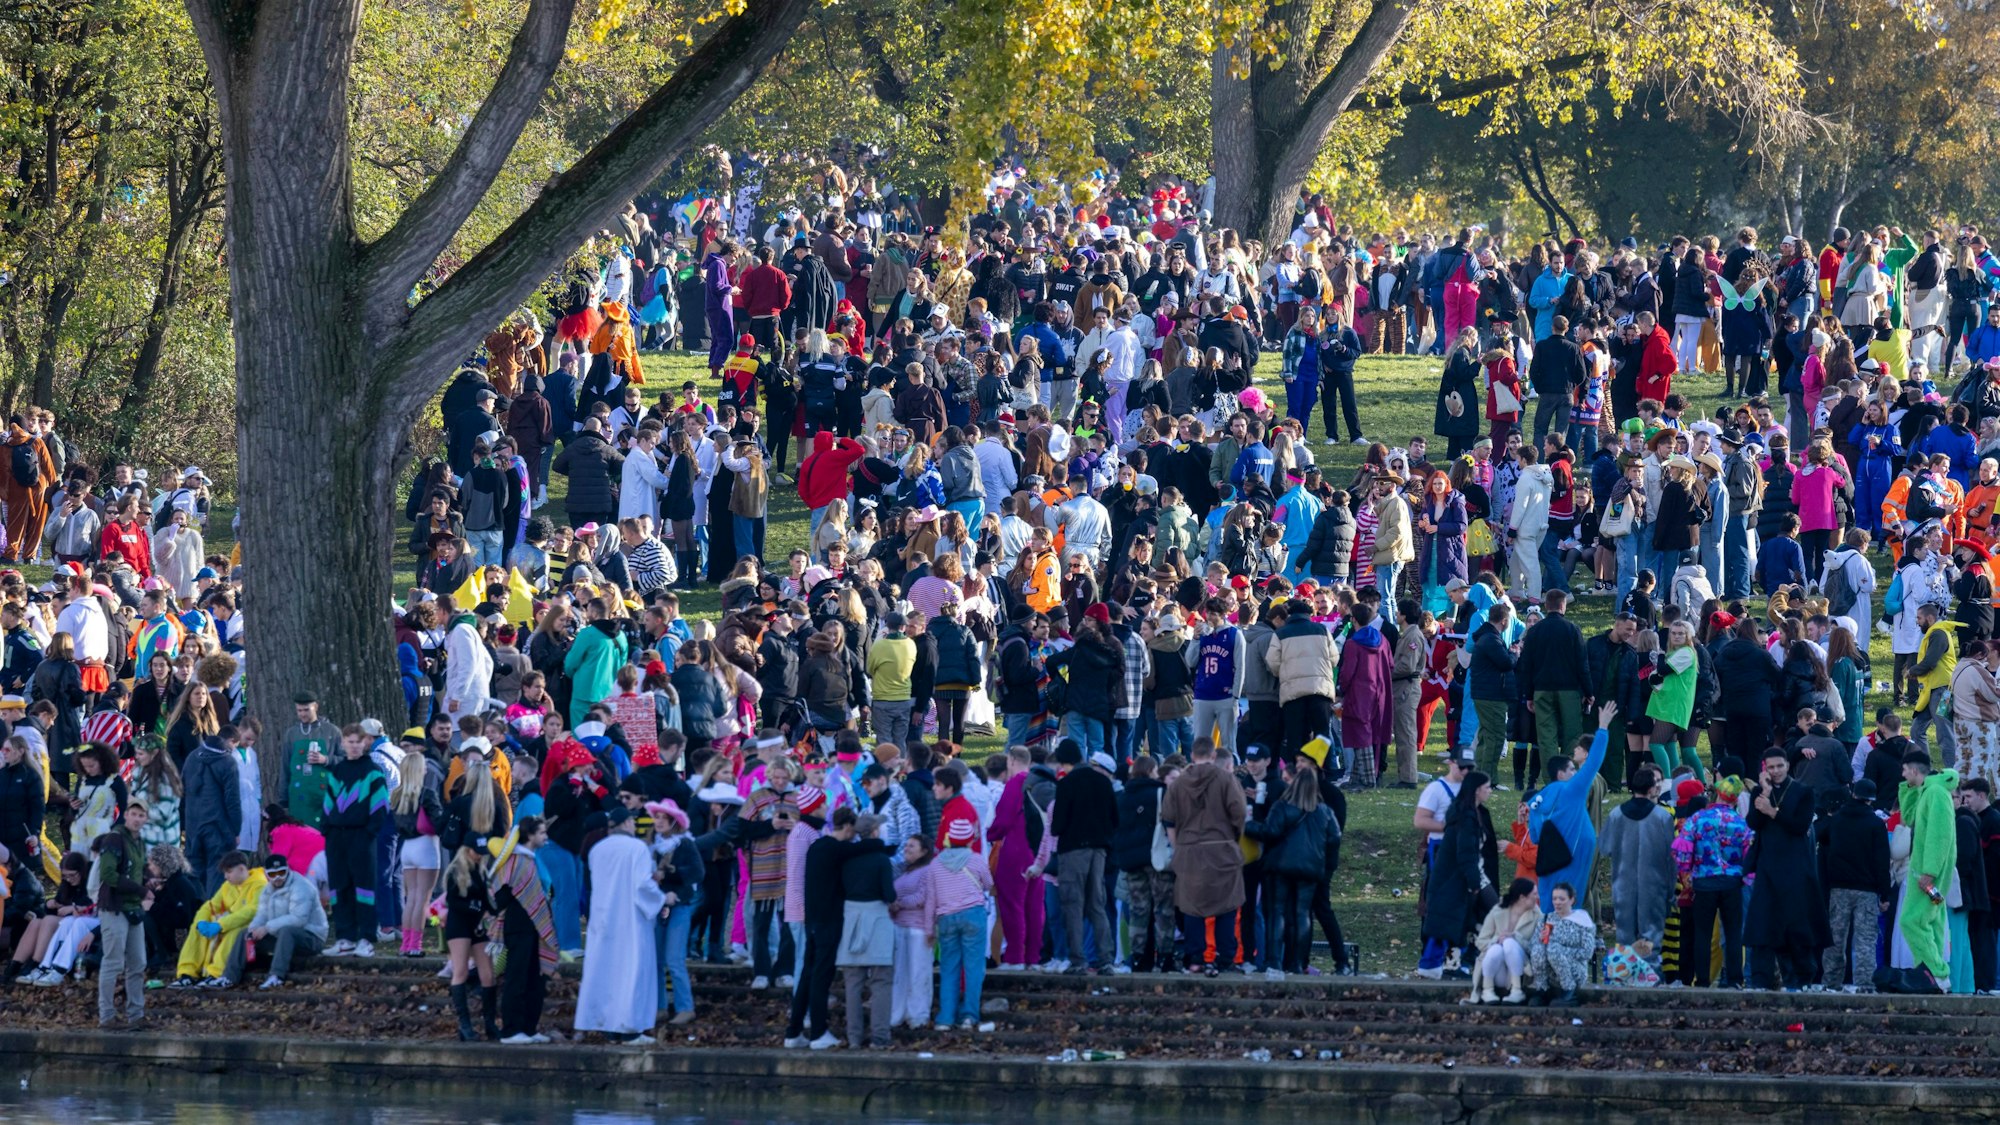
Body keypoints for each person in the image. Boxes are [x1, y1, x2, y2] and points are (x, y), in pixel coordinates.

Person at [574, 805, 665, 1044]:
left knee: (605, 971)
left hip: (603, 917)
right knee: (631, 971)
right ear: (627, 823)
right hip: (630, 919)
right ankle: (630, 1027)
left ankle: (607, 1025)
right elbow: (642, 885)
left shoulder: (597, 849)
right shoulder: (638, 849)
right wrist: (662, 899)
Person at [1744, 747, 1830, 990]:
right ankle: (1760, 980)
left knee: (1797, 926)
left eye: (1779, 766)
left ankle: (1803, 978)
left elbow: (1800, 824)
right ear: (1765, 769)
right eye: (1771, 767)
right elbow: (1753, 822)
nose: (1776, 771)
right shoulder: (1760, 792)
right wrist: (1766, 793)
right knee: (1762, 927)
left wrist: (1772, 811)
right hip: (1768, 867)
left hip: (1796, 868)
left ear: (1787, 765)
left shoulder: (1803, 792)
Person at [1160, 738, 1246, 976]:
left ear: (1191, 754)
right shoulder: (1226, 779)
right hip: (1222, 849)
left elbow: (1168, 820)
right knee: (1227, 906)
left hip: (1188, 850)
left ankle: (1195, 959)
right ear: (1212, 753)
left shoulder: (1178, 784)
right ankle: (1226, 958)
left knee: (1191, 907)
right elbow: (1239, 813)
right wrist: (1232, 838)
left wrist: (1179, 848)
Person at [1245, 761, 1338, 979]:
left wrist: (1247, 825)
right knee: (1302, 914)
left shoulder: (1283, 807)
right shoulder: (1324, 811)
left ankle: (1274, 960)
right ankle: (1297, 962)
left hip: (1281, 867)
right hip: (1310, 869)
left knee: (1277, 913)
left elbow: (1270, 831)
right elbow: (1334, 838)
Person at [1527, 705, 1615, 912]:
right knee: (1570, 903)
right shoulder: (1572, 790)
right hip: (1574, 856)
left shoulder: (1538, 799)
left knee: (1549, 903)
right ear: (1561, 774)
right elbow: (1593, 763)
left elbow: (1535, 836)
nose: (1576, 773)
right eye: (1572, 770)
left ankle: (1547, 938)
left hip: (1549, 860)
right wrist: (1603, 727)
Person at [1422, 769, 1498, 982]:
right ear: (1476, 791)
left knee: (1481, 915)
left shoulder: (1472, 814)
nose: (1489, 791)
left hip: (1471, 875)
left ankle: (1466, 958)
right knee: (1486, 914)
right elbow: (1466, 853)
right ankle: (1457, 963)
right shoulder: (1466, 818)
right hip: (1465, 877)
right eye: (1486, 788)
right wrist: (1474, 882)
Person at [1049, 739, 1117, 974]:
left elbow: (1057, 825)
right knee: (1097, 905)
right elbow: (1114, 819)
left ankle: (1078, 960)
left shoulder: (1066, 784)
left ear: (1064, 761)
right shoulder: (1103, 782)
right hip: (1099, 850)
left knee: (1072, 905)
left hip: (1072, 851)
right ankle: (1106, 958)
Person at [1820, 779, 1892, 991]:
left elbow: (1823, 843)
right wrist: (1885, 894)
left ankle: (1831, 982)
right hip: (1867, 891)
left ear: (1852, 794)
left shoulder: (1837, 820)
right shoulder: (1876, 825)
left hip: (1838, 888)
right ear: (1871, 800)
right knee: (1865, 940)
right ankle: (1865, 983)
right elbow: (1882, 862)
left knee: (1835, 938)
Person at [1599, 766, 1676, 961]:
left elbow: (1605, 847)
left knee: (1625, 939)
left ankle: (1626, 980)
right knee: (1651, 941)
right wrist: (1671, 890)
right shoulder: (1662, 817)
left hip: (1623, 885)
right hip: (1654, 886)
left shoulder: (1616, 815)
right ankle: (1650, 982)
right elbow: (1671, 858)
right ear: (1651, 789)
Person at [221, 851, 327, 990]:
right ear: (266, 874)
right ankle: (229, 977)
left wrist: (266, 928)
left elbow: (299, 919)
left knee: (287, 931)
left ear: (287, 870)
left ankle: (276, 976)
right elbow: (262, 914)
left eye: (281, 872)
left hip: (312, 938)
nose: (277, 878)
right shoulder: (267, 889)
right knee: (244, 933)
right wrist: (254, 928)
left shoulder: (301, 887)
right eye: (272, 874)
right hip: (283, 936)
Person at [836, 812, 897, 1049]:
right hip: (877, 919)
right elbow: (889, 894)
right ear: (874, 832)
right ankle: (880, 1037)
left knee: (853, 982)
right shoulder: (881, 859)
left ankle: (854, 1038)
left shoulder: (847, 858)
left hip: (851, 917)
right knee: (881, 981)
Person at [1897, 749, 1955, 994]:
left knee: (1911, 920)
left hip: (1927, 873)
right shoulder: (1926, 792)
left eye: (1904, 770)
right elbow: (1908, 818)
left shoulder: (1936, 793)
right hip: (1925, 873)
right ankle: (1930, 974)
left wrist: (1929, 872)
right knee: (1932, 922)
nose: (1902, 774)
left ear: (1913, 769)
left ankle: (1937, 972)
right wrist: (1908, 789)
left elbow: (1939, 835)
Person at [92, 799, 150, 1029]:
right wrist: (141, 889)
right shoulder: (114, 839)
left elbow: (137, 871)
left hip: (133, 908)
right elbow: (108, 874)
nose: (137, 819)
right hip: (114, 907)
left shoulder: (140, 843)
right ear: (126, 815)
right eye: (133, 814)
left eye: (141, 815)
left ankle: (136, 1014)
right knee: (113, 962)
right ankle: (106, 1016)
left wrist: (148, 882)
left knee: (138, 963)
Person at [170, 850, 265, 988]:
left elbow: (251, 911)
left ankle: (216, 973)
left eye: (229, 872)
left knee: (234, 932)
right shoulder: (228, 886)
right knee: (196, 928)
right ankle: (187, 973)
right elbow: (210, 905)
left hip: (249, 927)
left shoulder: (259, 885)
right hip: (226, 922)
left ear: (241, 869)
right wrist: (201, 921)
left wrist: (221, 925)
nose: (226, 876)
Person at [1470, 877, 1543, 1004]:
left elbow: (1538, 948)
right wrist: (1497, 940)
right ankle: (1488, 990)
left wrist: (1515, 937)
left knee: (1509, 942)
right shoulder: (1498, 910)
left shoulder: (1538, 916)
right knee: (1497, 947)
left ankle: (1517, 990)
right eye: (1534, 894)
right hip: (1496, 971)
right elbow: (1481, 942)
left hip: (1521, 971)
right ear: (1522, 897)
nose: (1538, 897)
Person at [1527, 882, 1595, 1007]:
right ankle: (1542, 989)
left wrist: (1560, 951)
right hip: (1549, 972)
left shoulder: (1583, 921)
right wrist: (1541, 942)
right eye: (1554, 899)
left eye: (1562, 899)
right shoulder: (1546, 919)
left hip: (1573, 970)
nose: (1557, 902)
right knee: (1538, 949)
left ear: (1572, 900)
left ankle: (1569, 989)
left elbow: (1587, 952)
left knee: (1553, 948)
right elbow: (1532, 945)